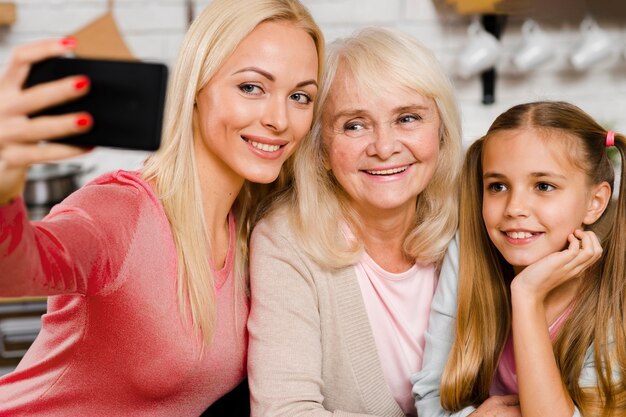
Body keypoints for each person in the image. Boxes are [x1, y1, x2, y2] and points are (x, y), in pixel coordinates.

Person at [0, 0, 323, 414]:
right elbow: (13, 270)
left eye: (300, 96)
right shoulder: (121, 212)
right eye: (251, 88)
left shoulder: (252, 232)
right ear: (196, 89)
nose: (280, 119)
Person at [247, 26, 463, 416]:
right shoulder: (286, 241)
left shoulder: (476, 224)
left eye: (408, 118)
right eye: (354, 125)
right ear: (322, 149)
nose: (384, 147)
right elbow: (284, 412)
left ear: (442, 133)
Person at [412, 101, 626, 417]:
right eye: (497, 186)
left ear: (594, 203)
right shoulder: (468, 252)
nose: (514, 207)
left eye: (543, 186)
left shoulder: (614, 297)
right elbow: (430, 399)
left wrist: (526, 296)